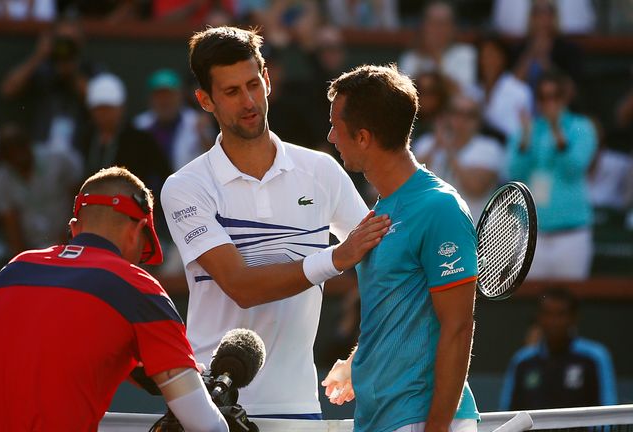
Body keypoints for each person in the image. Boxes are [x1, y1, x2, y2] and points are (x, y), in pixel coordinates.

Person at [161, 26, 391, 419]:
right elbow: (241, 286)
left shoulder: (321, 170)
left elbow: (386, 263)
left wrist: (362, 353)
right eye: (232, 92)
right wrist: (336, 258)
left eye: (253, 84)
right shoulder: (185, 187)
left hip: (298, 408)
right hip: (208, 411)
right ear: (205, 100)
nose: (249, 101)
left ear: (268, 79)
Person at [0, 166, 229, 432]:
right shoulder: (137, 287)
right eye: (143, 250)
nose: (140, 262)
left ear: (74, 228)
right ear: (136, 230)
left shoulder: (13, 270)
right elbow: (205, 425)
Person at [320, 64, 479, 432]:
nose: (330, 136)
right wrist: (357, 362)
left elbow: (458, 327)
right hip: (379, 419)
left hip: (422, 420)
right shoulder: (382, 208)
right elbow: (397, 307)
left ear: (362, 138)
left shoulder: (439, 207)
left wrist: (436, 429)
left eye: (336, 127)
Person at [506, 70, 597, 280]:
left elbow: (574, 167)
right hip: (531, 234)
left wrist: (557, 131)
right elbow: (513, 173)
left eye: (555, 96)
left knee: (571, 295)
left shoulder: (581, 127)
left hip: (571, 233)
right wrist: (526, 138)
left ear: (565, 98)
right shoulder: (526, 129)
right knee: (531, 296)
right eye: (543, 97)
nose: (549, 103)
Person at [500, 287, 617, 410]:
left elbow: (607, 412)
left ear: (574, 318)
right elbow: (507, 413)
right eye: (547, 314)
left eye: (561, 314)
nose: (554, 321)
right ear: (538, 317)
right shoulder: (522, 361)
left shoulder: (595, 357)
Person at [0, 18, 101, 156]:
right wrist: (39, 55)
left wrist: (72, 74)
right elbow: (8, 90)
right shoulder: (41, 67)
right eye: (61, 40)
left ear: (80, 43)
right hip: (40, 148)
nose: (65, 46)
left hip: (75, 150)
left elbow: (98, 102)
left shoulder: (89, 68)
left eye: (70, 41)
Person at [0, 123, 80, 255]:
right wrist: (21, 258)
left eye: (20, 149)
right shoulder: (1, 177)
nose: (17, 156)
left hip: (68, 239)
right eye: (11, 153)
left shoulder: (58, 159)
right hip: (32, 247)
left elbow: (78, 198)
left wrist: (71, 236)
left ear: (29, 145)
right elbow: (10, 222)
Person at [414, 94, 505, 221]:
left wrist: (449, 151)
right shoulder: (427, 143)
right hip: (431, 228)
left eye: (469, 115)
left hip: (472, 229)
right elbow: (410, 182)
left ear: (478, 120)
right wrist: (435, 146)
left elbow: (475, 187)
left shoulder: (489, 148)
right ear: (446, 116)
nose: (461, 120)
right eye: (456, 113)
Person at [133, 68, 214, 171]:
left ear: (180, 96)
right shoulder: (139, 125)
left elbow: (215, 159)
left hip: (188, 184)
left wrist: (203, 135)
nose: (165, 101)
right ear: (151, 98)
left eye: (169, 95)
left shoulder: (197, 122)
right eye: (159, 96)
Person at [398, 1, 477, 93]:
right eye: (432, 23)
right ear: (423, 27)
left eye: (443, 24)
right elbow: (405, 96)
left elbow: (464, 96)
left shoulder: (466, 54)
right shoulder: (410, 58)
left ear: (453, 28)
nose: (437, 29)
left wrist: (436, 57)